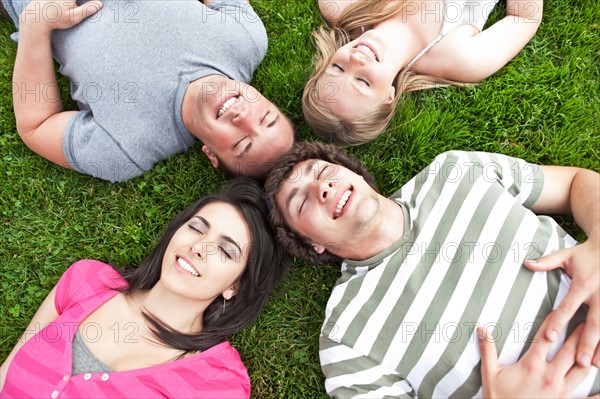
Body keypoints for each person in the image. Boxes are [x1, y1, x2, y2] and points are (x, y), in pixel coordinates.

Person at [265, 142, 599, 397]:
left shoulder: (454, 171)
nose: (321, 188)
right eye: (302, 201)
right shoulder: (345, 339)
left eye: (323, 172)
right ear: (311, 245)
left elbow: (573, 184)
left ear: (354, 171)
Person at [0, 178, 290, 398]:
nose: (199, 247)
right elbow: (7, 370)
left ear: (235, 286)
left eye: (226, 251)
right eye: (197, 227)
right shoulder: (87, 279)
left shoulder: (217, 382)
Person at [1, 0, 295, 182]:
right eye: (266, 117)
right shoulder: (245, 41)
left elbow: (36, 126)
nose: (243, 117)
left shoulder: (124, 151)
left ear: (211, 155)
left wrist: (36, 24)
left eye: (241, 143)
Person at [303, 0, 543, 146]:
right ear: (389, 95)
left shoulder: (345, 8)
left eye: (337, 68)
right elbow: (524, 17)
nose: (356, 60)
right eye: (363, 82)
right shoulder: (460, 57)